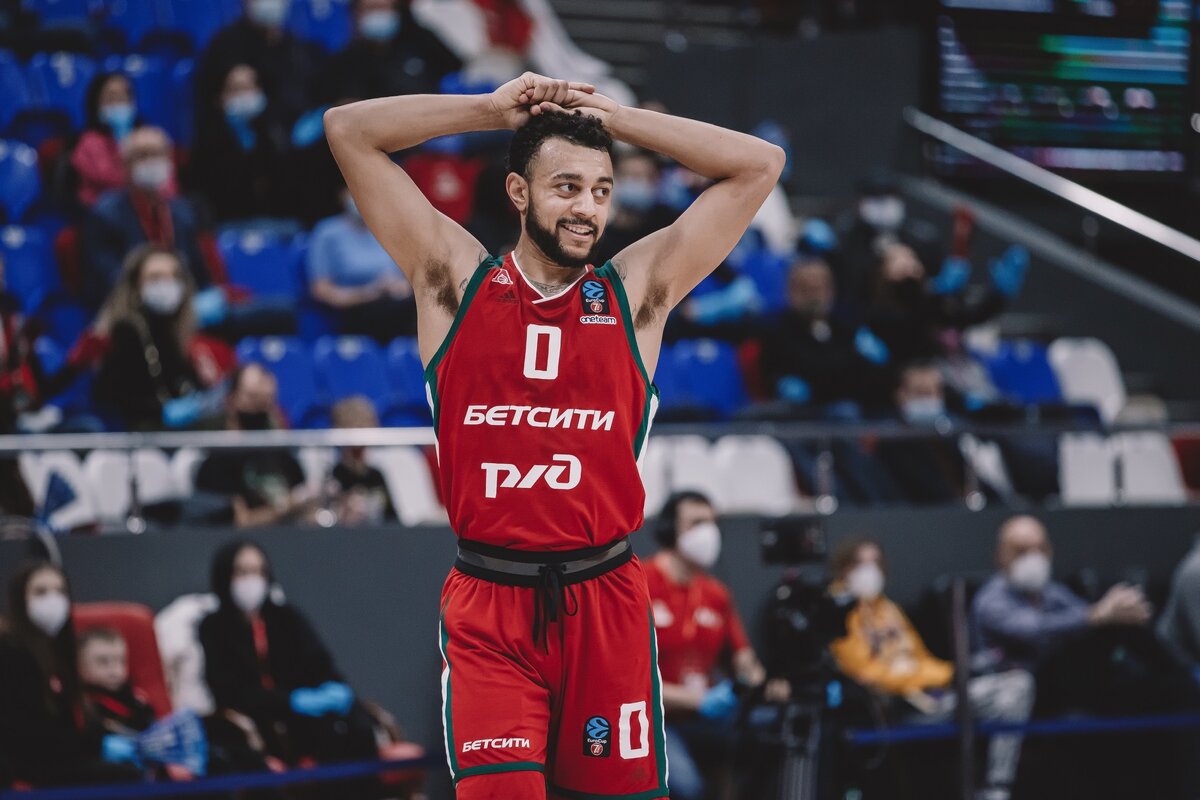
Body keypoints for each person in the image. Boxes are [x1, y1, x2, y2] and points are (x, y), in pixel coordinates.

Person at [325, 72, 784, 798]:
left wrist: (616, 118)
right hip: (491, 600)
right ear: (518, 191)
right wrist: (488, 110)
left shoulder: (634, 294)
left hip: (606, 599)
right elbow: (349, 129)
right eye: (567, 187)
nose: (586, 208)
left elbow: (760, 165)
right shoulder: (454, 281)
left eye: (601, 191)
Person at [829, 537, 1033, 800]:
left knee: (1016, 686)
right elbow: (866, 673)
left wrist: (959, 670)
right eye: (860, 563)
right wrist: (944, 675)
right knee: (1014, 690)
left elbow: (920, 659)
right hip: (894, 708)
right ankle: (996, 788)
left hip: (931, 697)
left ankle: (995, 788)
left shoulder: (888, 609)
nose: (869, 570)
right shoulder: (837, 612)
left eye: (875, 563)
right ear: (843, 567)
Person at [644, 491, 786, 800]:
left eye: (712, 523)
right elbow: (626, 679)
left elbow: (744, 659)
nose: (708, 533)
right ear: (669, 530)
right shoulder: (639, 584)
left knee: (780, 737)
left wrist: (764, 685)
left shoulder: (716, 594)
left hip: (706, 718)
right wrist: (696, 699)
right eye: (697, 523)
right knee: (687, 787)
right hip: (655, 719)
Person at [197, 540, 378, 766]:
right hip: (255, 724)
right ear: (225, 575)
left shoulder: (286, 618)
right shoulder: (214, 627)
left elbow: (319, 663)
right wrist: (289, 701)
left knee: (353, 732)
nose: (251, 580)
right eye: (242, 572)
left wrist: (333, 690)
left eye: (258, 571)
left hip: (303, 722)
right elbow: (229, 689)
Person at [0, 562, 143, 786]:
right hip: (29, 763)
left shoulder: (58, 651)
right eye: (41, 592)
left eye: (60, 591)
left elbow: (68, 721)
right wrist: (97, 746)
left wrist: (106, 737)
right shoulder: (11, 651)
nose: (53, 600)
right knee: (127, 775)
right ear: (20, 599)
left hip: (60, 755)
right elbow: (28, 734)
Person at [972, 515, 1152, 672]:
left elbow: (1085, 612)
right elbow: (1034, 630)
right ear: (1000, 556)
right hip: (1012, 685)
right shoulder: (991, 599)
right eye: (1021, 551)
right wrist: (1097, 615)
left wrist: (1117, 609)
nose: (1034, 557)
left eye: (1041, 549)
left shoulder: (1051, 591)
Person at [92, 245, 222, 431]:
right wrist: (161, 411)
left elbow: (179, 384)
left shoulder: (177, 333)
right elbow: (112, 396)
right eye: (155, 277)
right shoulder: (125, 331)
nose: (167, 285)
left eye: (174, 276)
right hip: (139, 433)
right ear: (136, 286)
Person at [81, 126, 209, 307]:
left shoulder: (183, 212)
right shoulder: (105, 214)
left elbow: (197, 271)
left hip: (182, 301)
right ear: (125, 166)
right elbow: (108, 276)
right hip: (129, 305)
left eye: (158, 155)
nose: (152, 162)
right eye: (142, 156)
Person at [193, 363, 315, 528]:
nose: (261, 410)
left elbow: (307, 508)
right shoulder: (218, 462)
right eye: (253, 399)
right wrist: (286, 508)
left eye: (267, 402)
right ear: (231, 401)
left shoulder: (281, 454)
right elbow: (241, 522)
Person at [760, 256, 891, 409]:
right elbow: (799, 368)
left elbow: (874, 376)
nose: (814, 297)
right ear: (791, 291)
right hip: (803, 413)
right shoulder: (777, 330)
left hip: (856, 408)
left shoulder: (849, 327)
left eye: (819, 288)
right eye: (805, 289)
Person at [189, 63, 295, 226]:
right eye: (236, 89)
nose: (245, 95)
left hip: (278, 221)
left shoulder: (275, 130)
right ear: (220, 97)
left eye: (250, 87)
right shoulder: (208, 137)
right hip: (227, 222)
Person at [306, 184, 416, 341]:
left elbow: (407, 280)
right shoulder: (327, 232)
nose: (361, 197)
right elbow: (321, 290)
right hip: (351, 309)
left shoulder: (388, 228)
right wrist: (370, 292)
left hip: (395, 303)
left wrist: (402, 287)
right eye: (354, 191)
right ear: (342, 195)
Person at [196, 0, 326, 132]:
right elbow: (207, 102)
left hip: (291, 135)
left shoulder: (302, 51)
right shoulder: (225, 47)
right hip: (237, 137)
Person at [322, 0, 461, 105]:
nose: (379, 15)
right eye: (372, 9)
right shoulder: (346, 60)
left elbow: (455, 67)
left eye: (384, 8)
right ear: (356, 14)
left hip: (426, 123)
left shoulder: (420, 42)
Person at [72, 72, 179, 207]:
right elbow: (109, 179)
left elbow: (169, 184)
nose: (119, 103)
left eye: (124, 97)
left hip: (155, 208)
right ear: (96, 103)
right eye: (111, 98)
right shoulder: (88, 142)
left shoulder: (148, 137)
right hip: (106, 213)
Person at [593, 148, 678, 265]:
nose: (632, 183)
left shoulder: (669, 225)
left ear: (655, 180)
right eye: (626, 175)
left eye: (639, 177)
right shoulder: (600, 239)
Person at [327, 396, 396, 524]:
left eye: (364, 422)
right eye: (351, 422)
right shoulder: (333, 473)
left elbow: (392, 518)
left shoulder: (377, 474)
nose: (358, 428)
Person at [77, 627, 158, 735]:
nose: (115, 670)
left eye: (120, 661)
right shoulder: (84, 707)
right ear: (80, 667)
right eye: (102, 662)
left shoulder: (136, 699)